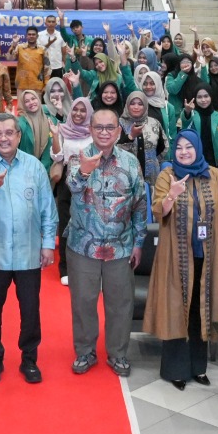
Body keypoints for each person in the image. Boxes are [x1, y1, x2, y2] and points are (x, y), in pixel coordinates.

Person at [144, 130, 218, 389]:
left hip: (208, 257)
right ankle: (175, 370)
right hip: (175, 257)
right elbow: (158, 211)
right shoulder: (167, 175)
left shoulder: (215, 176)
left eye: (189, 147)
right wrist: (172, 195)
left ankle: (199, 367)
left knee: (202, 310)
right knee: (176, 310)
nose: (184, 152)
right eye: (179, 147)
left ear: (198, 148)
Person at [0, 113, 58, 384]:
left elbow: (47, 208)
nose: (4, 138)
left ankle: (29, 359)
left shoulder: (34, 166)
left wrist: (48, 244)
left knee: (30, 310)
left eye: (9, 133)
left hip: (28, 252)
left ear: (18, 136)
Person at [64, 108, 148, 377]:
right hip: (82, 245)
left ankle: (118, 353)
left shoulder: (130, 162)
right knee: (83, 302)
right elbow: (72, 187)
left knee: (120, 303)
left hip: (121, 246)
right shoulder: (78, 157)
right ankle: (85, 351)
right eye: (98, 127)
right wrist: (84, 172)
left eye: (109, 127)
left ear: (119, 131)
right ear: (90, 129)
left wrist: (139, 242)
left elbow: (139, 204)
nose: (104, 132)